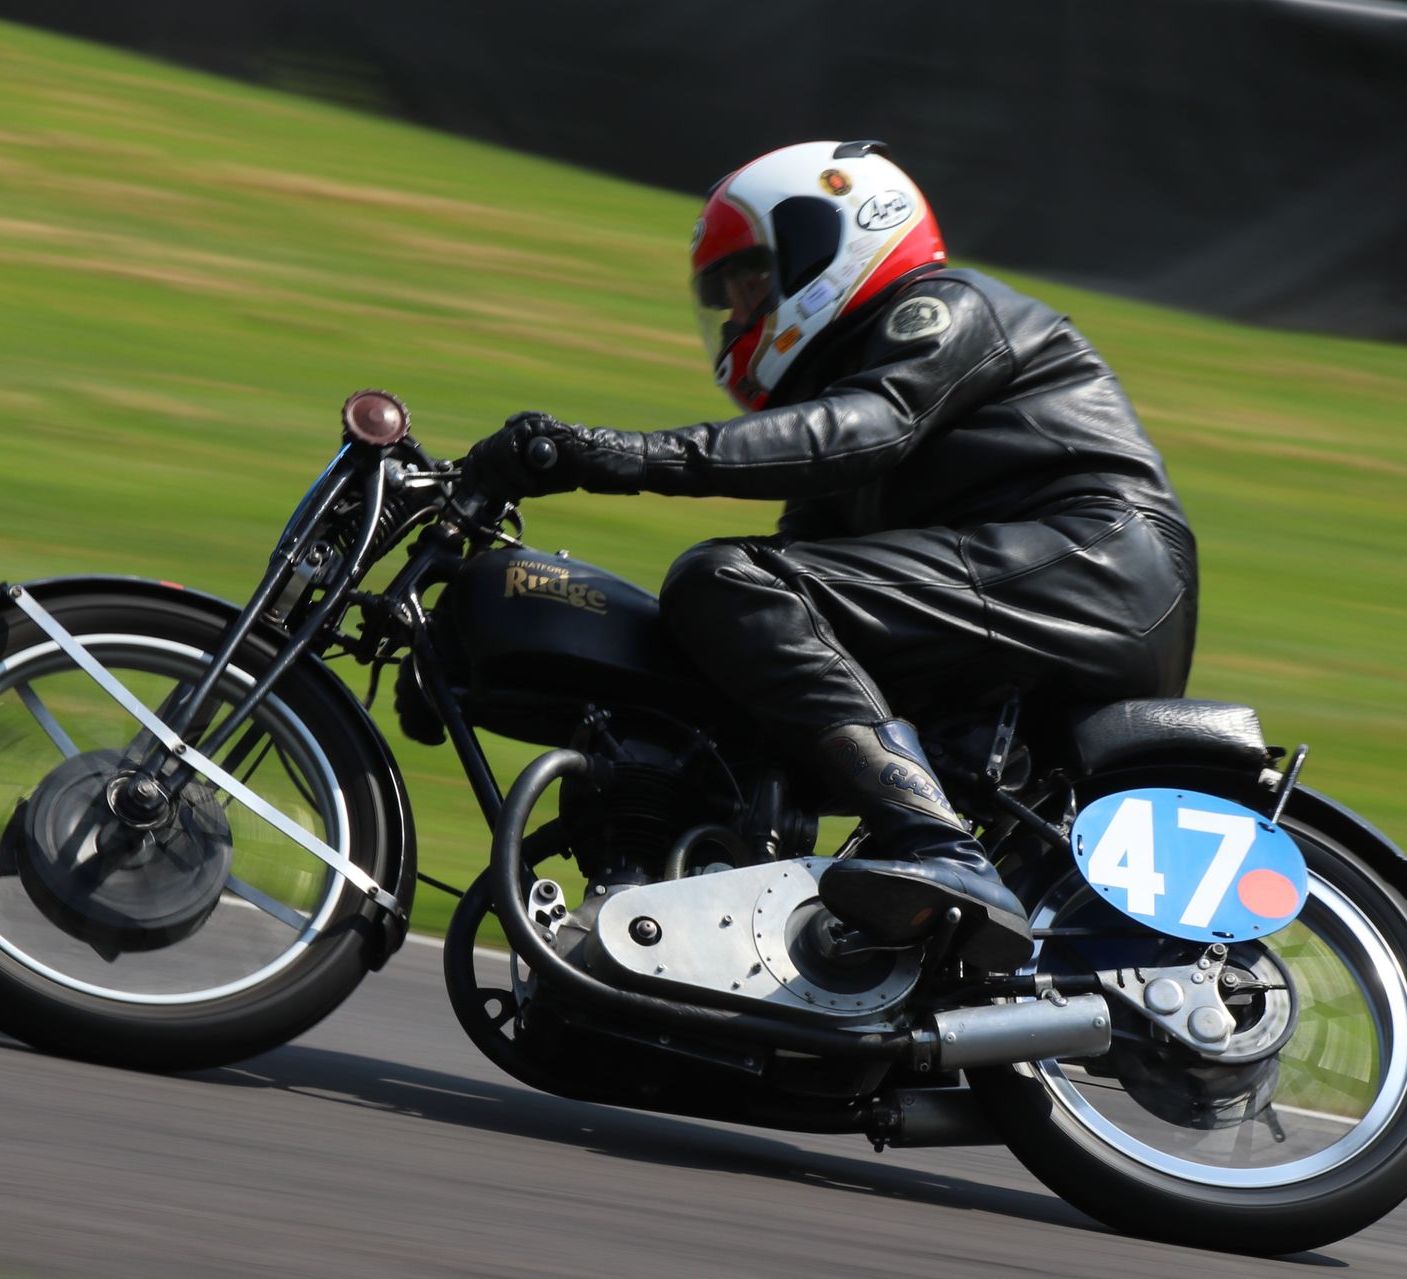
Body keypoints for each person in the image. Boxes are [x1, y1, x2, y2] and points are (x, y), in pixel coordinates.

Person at [461, 140, 1196, 973]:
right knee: (732, 646)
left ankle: (943, 852)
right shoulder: (843, 417)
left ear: (831, 237)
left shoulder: (942, 310)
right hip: (1015, 586)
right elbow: (787, 596)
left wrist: (613, 455)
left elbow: (865, 427)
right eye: (728, 293)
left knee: (721, 578)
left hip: (1093, 562)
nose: (739, 310)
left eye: (751, 278)